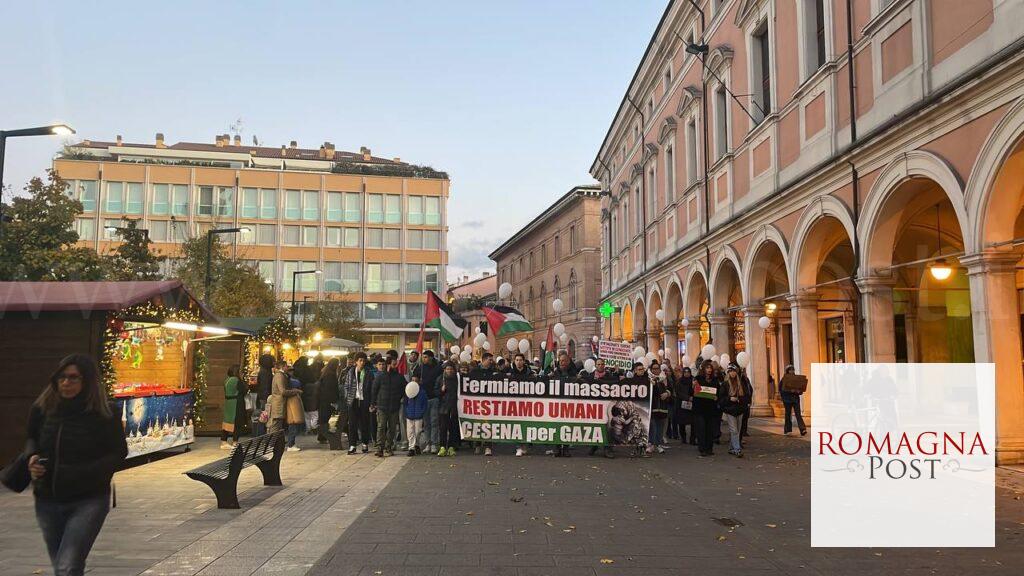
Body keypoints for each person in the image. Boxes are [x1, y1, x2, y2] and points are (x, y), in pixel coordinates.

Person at [26, 354, 128, 576]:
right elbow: (32, 439)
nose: (66, 382)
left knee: (67, 565)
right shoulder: (43, 409)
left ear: (87, 381)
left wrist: (87, 473)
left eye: (73, 378)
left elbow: (119, 453)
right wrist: (32, 457)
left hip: (88, 499)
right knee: (65, 566)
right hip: (47, 498)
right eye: (62, 377)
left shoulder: (104, 413)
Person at [371, 356, 405, 457]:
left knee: (392, 428)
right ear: (388, 364)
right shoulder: (380, 376)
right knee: (381, 427)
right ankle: (380, 448)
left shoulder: (399, 377)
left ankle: (388, 446)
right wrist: (373, 403)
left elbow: (404, 389)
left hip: (394, 406)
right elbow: (374, 389)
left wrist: (399, 397)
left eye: (395, 364)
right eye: (392, 364)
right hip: (382, 406)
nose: (394, 366)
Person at [413, 350, 443, 454]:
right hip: (424, 399)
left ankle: (434, 443)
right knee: (426, 423)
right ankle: (428, 443)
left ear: (431, 357)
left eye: (425, 357)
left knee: (434, 422)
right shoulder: (420, 368)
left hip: (434, 398)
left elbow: (441, 381)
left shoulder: (438, 368)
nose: (423, 359)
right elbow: (414, 380)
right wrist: (417, 381)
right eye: (423, 357)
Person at [548, 353, 577, 457]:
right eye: (560, 360)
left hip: (568, 403)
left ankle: (565, 448)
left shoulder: (573, 373)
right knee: (556, 426)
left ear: (568, 361)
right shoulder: (555, 372)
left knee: (567, 426)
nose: (561, 362)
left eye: (563, 360)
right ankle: (556, 447)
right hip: (556, 403)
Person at [342, 352, 373, 454]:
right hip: (353, 400)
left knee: (365, 423)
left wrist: (371, 402)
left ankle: (365, 444)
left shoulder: (368, 372)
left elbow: (371, 388)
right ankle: (352, 445)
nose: (362, 362)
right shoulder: (351, 372)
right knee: (352, 424)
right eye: (360, 360)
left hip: (364, 400)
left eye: (364, 360)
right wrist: (348, 397)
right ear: (356, 361)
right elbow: (346, 385)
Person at [719, 364, 750, 457]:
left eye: (734, 371)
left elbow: (746, 396)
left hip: (739, 410)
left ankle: (731, 448)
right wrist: (729, 399)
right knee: (734, 430)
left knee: (738, 431)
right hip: (730, 410)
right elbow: (721, 398)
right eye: (731, 371)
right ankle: (737, 449)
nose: (733, 373)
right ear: (728, 373)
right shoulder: (725, 384)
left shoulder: (741, 384)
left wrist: (741, 400)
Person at [692, 360, 722, 457]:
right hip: (700, 408)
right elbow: (694, 392)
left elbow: (718, 392)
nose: (709, 370)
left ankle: (709, 448)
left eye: (710, 368)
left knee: (710, 429)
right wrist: (694, 386)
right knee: (701, 429)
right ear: (703, 369)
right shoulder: (698, 379)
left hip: (711, 409)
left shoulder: (715, 380)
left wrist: (717, 397)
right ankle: (702, 449)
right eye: (707, 368)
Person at [437, 362, 461, 456]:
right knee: (443, 428)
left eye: (451, 369)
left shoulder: (457, 379)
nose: (449, 371)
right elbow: (436, 392)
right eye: (447, 369)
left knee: (453, 428)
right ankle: (442, 447)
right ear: (444, 370)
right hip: (443, 408)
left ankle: (451, 446)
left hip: (454, 407)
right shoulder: (440, 379)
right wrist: (441, 391)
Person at [220, 364, 247, 449]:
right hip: (237, 402)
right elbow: (244, 391)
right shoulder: (237, 380)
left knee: (227, 421)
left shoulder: (227, 380)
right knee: (237, 422)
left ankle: (224, 441)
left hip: (228, 402)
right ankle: (235, 442)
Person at [648, 361, 671, 454]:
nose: (655, 370)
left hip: (662, 406)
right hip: (653, 406)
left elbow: (671, 388)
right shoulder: (649, 379)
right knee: (652, 426)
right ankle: (651, 444)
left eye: (657, 368)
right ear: (651, 370)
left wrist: (667, 393)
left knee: (660, 426)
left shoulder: (665, 379)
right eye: (653, 369)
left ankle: (658, 444)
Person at [316, 358, 341, 444]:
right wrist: (334, 400)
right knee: (325, 419)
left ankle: (322, 436)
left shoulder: (325, 373)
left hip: (322, 400)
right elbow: (331, 389)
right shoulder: (331, 375)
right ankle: (323, 436)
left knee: (323, 419)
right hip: (327, 401)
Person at [779, 365, 807, 436]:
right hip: (787, 400)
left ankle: (802, 429)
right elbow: (781, 389)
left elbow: (801, 388)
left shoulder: (797, 379)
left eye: (793, 370)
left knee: (798, 414)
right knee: (788, 414)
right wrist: (789, 391)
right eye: (790, 370)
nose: (792, 371)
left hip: (795, 399)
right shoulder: (784, 379)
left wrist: (799, 391)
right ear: (787, 371)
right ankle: (787, 430)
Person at [284, 365, 306, 451]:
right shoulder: (294, 381)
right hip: (293, 403)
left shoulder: (286, 379)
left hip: (291, 402)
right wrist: (297, 391)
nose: (291, 372)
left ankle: (291, 443)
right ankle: (290, 444)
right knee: (293, 423)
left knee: (292, 424)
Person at [404, 378, 428, 456]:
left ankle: (416, 444)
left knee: (418, 431)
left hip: (418, 415)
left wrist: (422, 412)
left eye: (416, 380)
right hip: (409, 414)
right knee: (410, 432)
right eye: (412, 380)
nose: (414, 381)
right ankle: (411, 448)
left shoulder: (422, 392)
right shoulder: (408, 390)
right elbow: (405, 403)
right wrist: (406, 411)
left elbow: (425, 403)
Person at [673, 366, 696, 445]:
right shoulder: (679, 381)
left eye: (688, 372)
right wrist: (686, 397)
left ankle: (693, 439)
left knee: (693, 422)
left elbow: (697, 390)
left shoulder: (693, 380)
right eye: (685, 372)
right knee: (682, 422)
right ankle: (683, 438)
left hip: (692, 403)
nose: (686, 374)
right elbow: (678, 392)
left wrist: (692, 396)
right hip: (681, 404)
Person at [254, 353, 275, 435]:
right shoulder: (266, 372)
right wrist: (268, 398)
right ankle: (261, 433)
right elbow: (265, 386)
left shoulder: (264, 371)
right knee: (265, 415)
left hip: (263, 396)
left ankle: (261, 433)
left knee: (263, 415)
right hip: (265, 397)